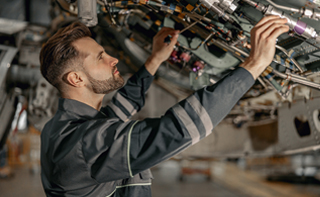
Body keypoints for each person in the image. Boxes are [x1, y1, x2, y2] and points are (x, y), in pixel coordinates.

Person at [39, 15, 289, 196]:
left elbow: (122, 107)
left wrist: (155, 59)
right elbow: (176, 130)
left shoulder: (67, 126)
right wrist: (254, 64)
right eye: (101, 57)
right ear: (76, 79)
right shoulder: (82, 146)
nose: (113, 59)